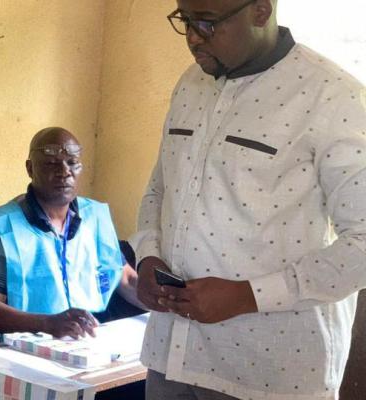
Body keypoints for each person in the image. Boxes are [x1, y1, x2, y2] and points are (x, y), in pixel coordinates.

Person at [131, 0, 366, 398]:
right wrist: (147, 254)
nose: (191, 37)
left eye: (206, 23)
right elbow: (160, 189)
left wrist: (248, 297)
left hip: (267, 373)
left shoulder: (335, 99)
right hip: (171, 357)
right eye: (184, 20)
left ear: (260, 11)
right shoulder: (191, 83)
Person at [0, 127, 144, 342]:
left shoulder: (94, 218)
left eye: (72, 162)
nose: (64, 171)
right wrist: (48, 324)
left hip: (82, 341)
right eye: (51, 163)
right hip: (18, 346)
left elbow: (125, 278)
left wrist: (167, 309)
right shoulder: (2, 228)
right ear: (30, 169)